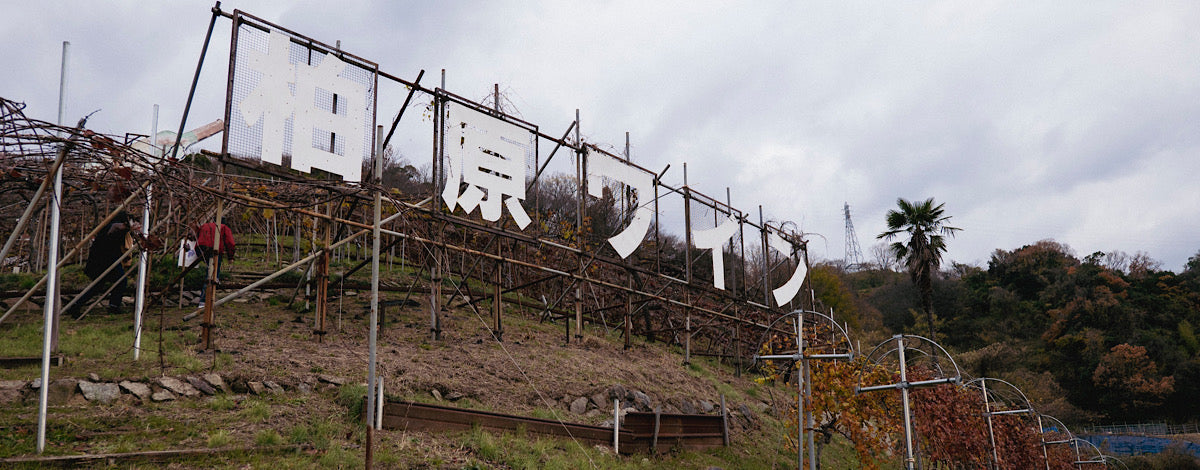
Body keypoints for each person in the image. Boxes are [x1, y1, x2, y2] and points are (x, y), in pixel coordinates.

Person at [71, 211, 139, 317]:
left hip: (106, 260)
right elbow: (116, 227)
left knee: (99, 285)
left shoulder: (116, 228)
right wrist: (128, 227)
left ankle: (76, 305)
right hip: (103, 261)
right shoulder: (112, 226)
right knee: (119, 281)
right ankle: (113, 306)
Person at [194, 221, 235, 306]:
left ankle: (205, 298)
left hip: (202, 249)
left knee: (209, 272)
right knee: (212, 275)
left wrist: (198, 253)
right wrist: (230, 256)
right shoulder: (223, 227)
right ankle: (204, 300)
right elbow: (230, 242)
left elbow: (198, 238)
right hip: (215, 251)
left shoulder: (205, 226)